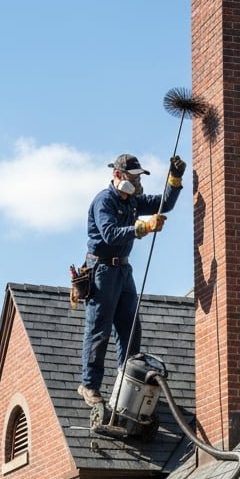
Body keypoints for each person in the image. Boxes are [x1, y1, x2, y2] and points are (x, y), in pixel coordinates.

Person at [77, 152, 185, 406]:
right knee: (99, 331)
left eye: (138, 178)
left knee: (130, 328)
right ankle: (89, 385)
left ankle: (125, 382)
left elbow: (164, 204)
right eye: (133, 177)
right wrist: (145, 227)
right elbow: (111, 234)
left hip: (123, 272)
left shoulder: (132, 201)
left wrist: (175, 179)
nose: (137, 183)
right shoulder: (104, 201)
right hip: (102, 271)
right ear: (117, 175)